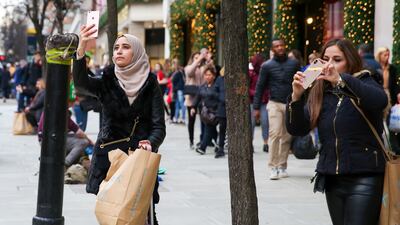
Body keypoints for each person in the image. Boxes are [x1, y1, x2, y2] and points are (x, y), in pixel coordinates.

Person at [287, 38, 387, 225]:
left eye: (337, 59)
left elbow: (379, 101)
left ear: (350, 61)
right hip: (333, 178)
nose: (329, 65)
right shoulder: (321, 91)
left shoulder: (364, 81)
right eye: (325, 59)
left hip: (365, 175)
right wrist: (296, 97)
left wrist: (341, 81)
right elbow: (297, 129)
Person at [74, 25, 166, 224]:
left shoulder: (150, 83)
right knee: (112, 216)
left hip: (138, 160)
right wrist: (81, 48)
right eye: (116, 48)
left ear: (137, 51)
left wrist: (150, 142)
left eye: (125, 47)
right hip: (109, 160)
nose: (119, 51)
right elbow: (81, 84)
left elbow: (159, 126)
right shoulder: (107, 80)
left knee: (145, 216)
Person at [253, 38, 300, 180]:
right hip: (274, 103)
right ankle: (273, 167)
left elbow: (301, 81)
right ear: (272, 49)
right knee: (274, 133)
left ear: (285, 47)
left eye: (281, 45)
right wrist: (256, 107)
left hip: (290, 103)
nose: (280, 48)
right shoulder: (267, 66)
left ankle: (282, 166)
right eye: (276, 46)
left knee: (287, 135)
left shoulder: (294, 64)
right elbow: (260, 86)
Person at [375, 47, 400, 154]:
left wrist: (398, 93)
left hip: (390, 97)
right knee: (378, 120)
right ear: (379, 55)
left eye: (388, 55)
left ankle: (393, 147)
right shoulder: (375, 67)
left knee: (391, 122)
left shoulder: (392, 68)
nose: (387, 57)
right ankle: (379, 146)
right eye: (385, 55)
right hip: (379, 94)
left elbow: (394, 84)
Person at [192, 64, 219, 155]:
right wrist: (193, 108)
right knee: (212, 129)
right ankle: (218, 144)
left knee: (208, 128)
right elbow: (197, 97)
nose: (207, 77)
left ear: (214, 76)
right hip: (205, 113)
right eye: (206, 75)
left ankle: (203, 147)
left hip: (215, 112)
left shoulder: (217, 87)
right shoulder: (202, 87)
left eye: (209, 74)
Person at [248, 54, 269, 152]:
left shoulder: (265, 73)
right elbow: (247, 88)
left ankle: (266, 143)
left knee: (265, 122)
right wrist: (255, 93)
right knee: (251, 123)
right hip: (252, 101)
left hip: (264, 101)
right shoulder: (251, 74)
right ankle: (249, 143)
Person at [184, 51, 205, 149]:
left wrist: (207, 59)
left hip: (202, 98)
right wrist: (199, 60)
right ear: (192, 59)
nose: (198, 59)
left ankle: (203, 140)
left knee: (204, 119)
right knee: (191, 121)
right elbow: (189, 72)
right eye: (195, 58)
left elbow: (212, 70)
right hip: (191, 99)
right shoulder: (188, 68)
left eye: (199, 57)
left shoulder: (203, 68)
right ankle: (191, 141)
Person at [214, 67, 226, 158]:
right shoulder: (219, 79)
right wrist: (221, 98)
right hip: (222, 107)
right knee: (222, 128)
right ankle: (220, 147)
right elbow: (215, 91)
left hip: (234, 107)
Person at [171, 58, 186, 124]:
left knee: (181, 104)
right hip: (176, 90)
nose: (173, 65)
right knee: (177, 104)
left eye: (174, 63)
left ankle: (183, 118)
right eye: (173, 63)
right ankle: (176, 118)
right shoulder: (175, 72)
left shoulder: (180, 71)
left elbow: (175, 80)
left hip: (180, 89)